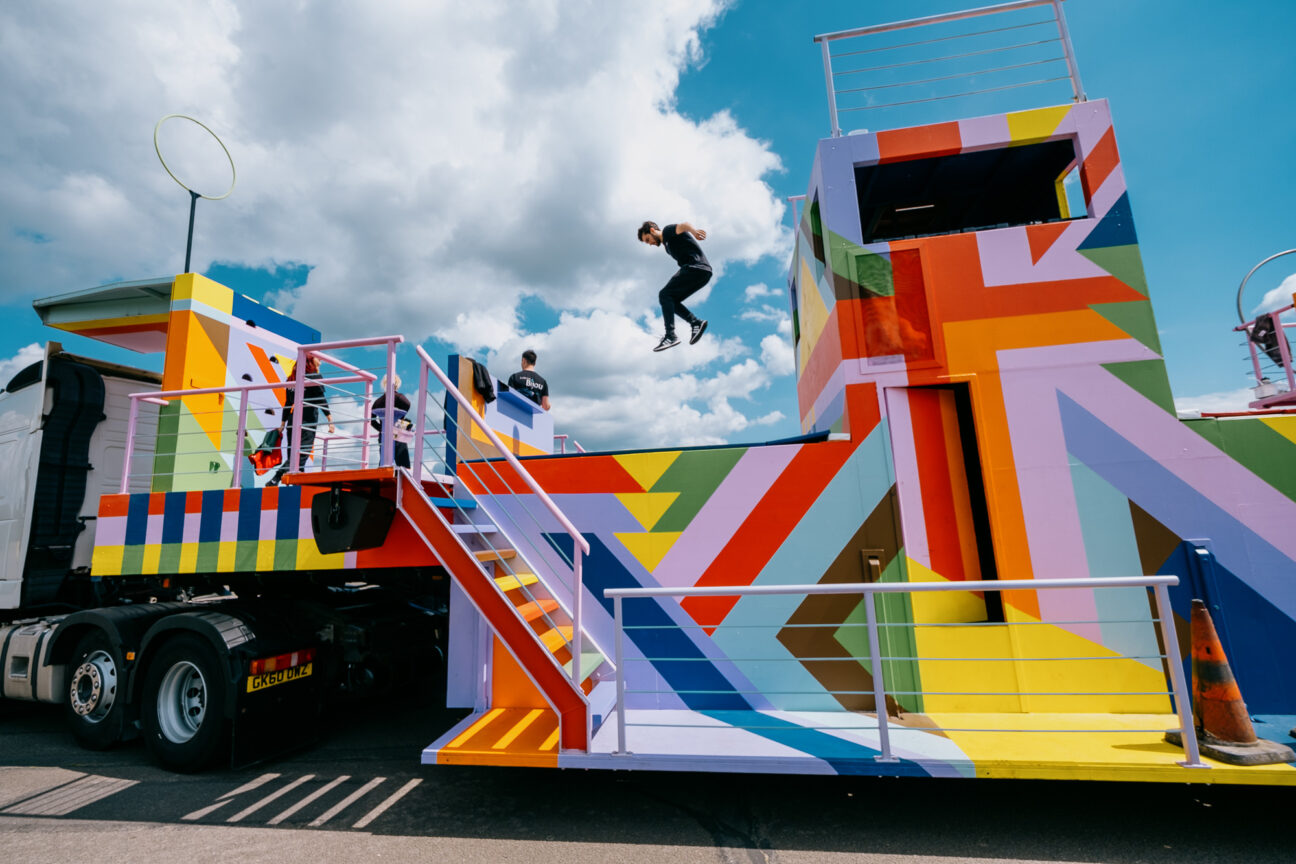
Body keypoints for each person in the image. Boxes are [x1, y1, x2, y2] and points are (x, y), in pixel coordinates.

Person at [637, 220, 711, 352]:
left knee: (665, 295)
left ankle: (670, 336)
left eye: (648, 240)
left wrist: (694, 232)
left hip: (695, 267)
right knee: (671, 300)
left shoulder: (667, 231)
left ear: (652, 231)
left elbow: (684, 225)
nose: (650, 244)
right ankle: (696, 323)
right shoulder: (667, 245)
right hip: (703, 273)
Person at [269, 354, 334, 484]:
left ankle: (297, 484)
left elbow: (288, 403)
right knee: (302, 454)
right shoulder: (314, 377)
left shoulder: (292, 379)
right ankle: (277, 477)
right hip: (307, 420)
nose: (320, 360)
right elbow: (321, 400)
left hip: (293, 420)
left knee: (294, 454)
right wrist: (330, 420)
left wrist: (283, 424)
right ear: (309, 361)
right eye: (318, 358)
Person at [371, 374, 412, 469]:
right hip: (398, 431)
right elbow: (407, 404)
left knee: (384, 459)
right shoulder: (400, 398)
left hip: (383, 435)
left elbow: (372, 420)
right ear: (397, 384)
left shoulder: (378, 401)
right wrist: (401, 420)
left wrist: (382, 429)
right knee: (403, 462)